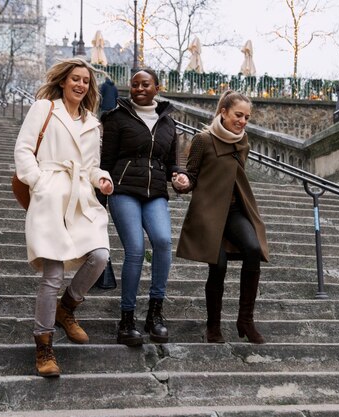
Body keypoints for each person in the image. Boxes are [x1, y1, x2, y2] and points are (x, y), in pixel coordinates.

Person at [14, 57, 114, 377]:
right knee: (53, 276)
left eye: (85, 80)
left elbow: (91, 166)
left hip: (81, 198)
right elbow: (23, 149)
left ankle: (67, 308)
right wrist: (39, 181)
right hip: (50, 197)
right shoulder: (44, 108)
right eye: (75, 78)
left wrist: (102, 179)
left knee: (99, 256)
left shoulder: (92, 123)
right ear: (63, 81)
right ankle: (44, 345)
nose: (80, 84)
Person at [174, 90, 269, 344]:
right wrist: (182, 182)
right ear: (224, 112)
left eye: (247, 117)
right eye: (239, 115)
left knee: (252, 248)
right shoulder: (203, 140)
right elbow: (191, 176)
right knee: (219, 267)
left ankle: (245, 320)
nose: (243, 121)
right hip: (208, 214)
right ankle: (213, 327)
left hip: (236, 210)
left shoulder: (243, 141)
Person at [100, 68, 183, 346]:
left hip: (155, 191)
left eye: (145, 84)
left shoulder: (169, 123)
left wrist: (178, 175)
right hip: (123, 190)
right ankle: (126, 319)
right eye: (134, 85)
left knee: (162, 241)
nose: (138, 89)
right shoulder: (116, 117)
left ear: (157, 88)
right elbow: (106, 160)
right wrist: (101, 197)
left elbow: (172, 162)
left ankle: (155, 314)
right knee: (135, 248)